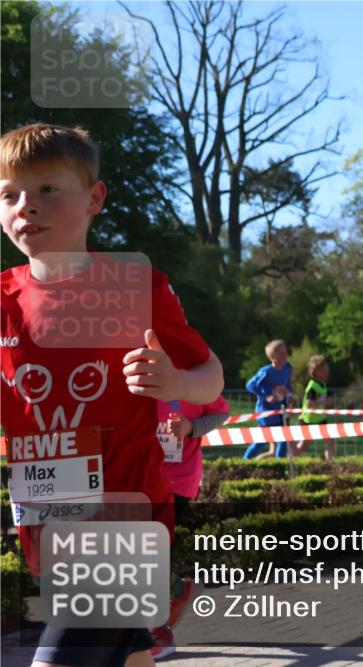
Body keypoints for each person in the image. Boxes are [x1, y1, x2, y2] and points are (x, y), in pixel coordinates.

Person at [0, 123, 224, 667]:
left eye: (47, 189)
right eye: (9, 194)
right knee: (129, 654)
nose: (26, 206)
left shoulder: (134, 287)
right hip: (46, 521)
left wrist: (176, 384)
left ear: (94, 199)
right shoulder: (3, 298)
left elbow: (212, 375)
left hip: (125, 521)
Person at [150, 396, 230, 659]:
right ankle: (177, 590)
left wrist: (191, 427)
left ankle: (158, 632)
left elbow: (221, 413)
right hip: (141, 475)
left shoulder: (191, 380)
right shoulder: (132, 379)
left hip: (177, 478)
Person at [243, 339, 292, 459]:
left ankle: (279, 464)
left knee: (283, 438)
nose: (285, 355)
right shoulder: (266, 372)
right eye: (281, 353)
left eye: (286, 352)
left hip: (279, 411)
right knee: (262, 440)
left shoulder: (287, 368)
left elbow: (287, 384)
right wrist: (268, 394)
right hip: (265, 412)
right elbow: (250, 385)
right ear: (272, 357)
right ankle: (244, 462)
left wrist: (288, 395)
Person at [295, 354, 336, 459]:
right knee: (303, 445)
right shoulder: (312, 385)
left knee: (331, 441)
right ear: (316, 371)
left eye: (327, 370)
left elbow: (321, 401)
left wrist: (327, 403)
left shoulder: (323, 384)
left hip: (320, 418)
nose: (327, 373)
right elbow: (310, 403)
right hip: (308, 419)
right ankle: (289, 461)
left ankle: (329, 463)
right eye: (324, 371)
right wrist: (325, 402)